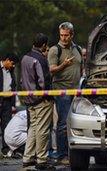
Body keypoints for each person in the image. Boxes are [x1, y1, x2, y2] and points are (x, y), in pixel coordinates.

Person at [48, 22, 82, 164]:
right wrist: (64, 65)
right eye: (61, 35)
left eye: (66, 35)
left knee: (75, 122)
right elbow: (52, 69)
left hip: (76, 91)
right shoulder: (55, 50)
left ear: (72, 34)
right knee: (63, 123)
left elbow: (81, 67)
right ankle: (62, 155)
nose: (64, 38)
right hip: (62, 91)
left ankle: (73, 153)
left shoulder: (78, 49)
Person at [21, 33, 55, 170]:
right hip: (42, 99)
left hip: (29, 99)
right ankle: (41, 160)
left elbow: (22, 80)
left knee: (33, 128)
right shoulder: (40, 59)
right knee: (42, 130)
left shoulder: (25, 57)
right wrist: (48, 96)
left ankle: (27, 158)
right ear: (44, 45)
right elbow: (44, 81)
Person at [0, 53, 17, 157]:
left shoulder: (11, 71)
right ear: (6, 60)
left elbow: (13, 87)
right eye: (12, 63)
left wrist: (13, 104)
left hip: (7, 102)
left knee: (6, 127)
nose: (13, 65)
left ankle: (5, 149)